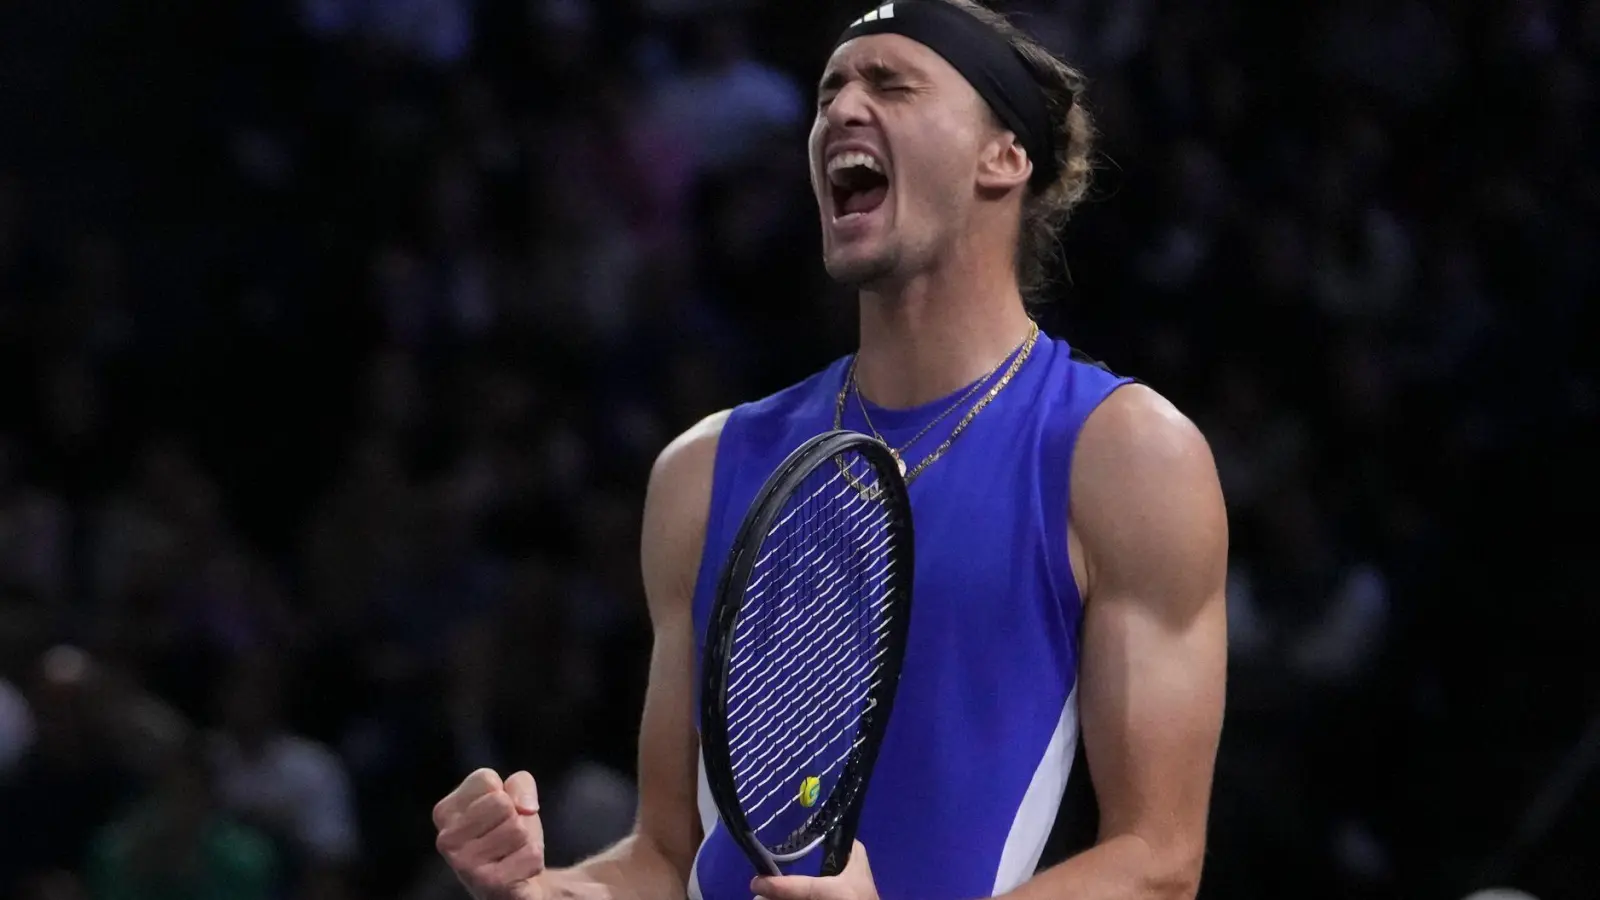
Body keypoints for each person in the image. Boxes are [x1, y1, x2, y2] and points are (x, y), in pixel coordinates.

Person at [430, 2, 1228, 898]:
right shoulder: (704, 468)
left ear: (1003, 156)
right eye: (830, 91)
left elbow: (1160, 862)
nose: (843, 109)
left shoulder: (1123, 455)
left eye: (890, 84)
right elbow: (663, 855)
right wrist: (542, 892)